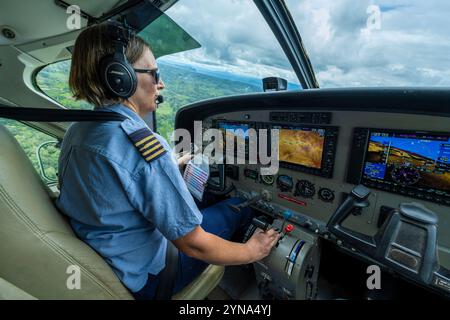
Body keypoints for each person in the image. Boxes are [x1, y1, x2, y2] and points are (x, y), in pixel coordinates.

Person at [55, 22, 280, 300]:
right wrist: (251, 251)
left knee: (206, 199)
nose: (161, 84)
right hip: (149, 276)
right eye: (154, 73)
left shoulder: (80, 129)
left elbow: (114, 182)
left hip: (107, 252)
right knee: (238, 206)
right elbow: (194, 245)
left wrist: (168, 167)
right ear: (120, 78)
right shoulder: (141, 144)